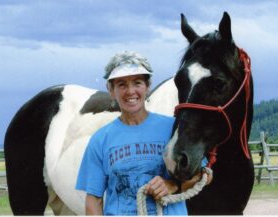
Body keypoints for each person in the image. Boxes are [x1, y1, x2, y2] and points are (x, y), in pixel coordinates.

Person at [76, 51, 212, 215]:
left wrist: (173, 185)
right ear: (111, 90)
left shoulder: (173, 129)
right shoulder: (100, 140)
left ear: (147, 87)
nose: (130, 91)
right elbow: (93, 200)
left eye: (137, 82)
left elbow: (203, 176)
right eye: (121, 84)